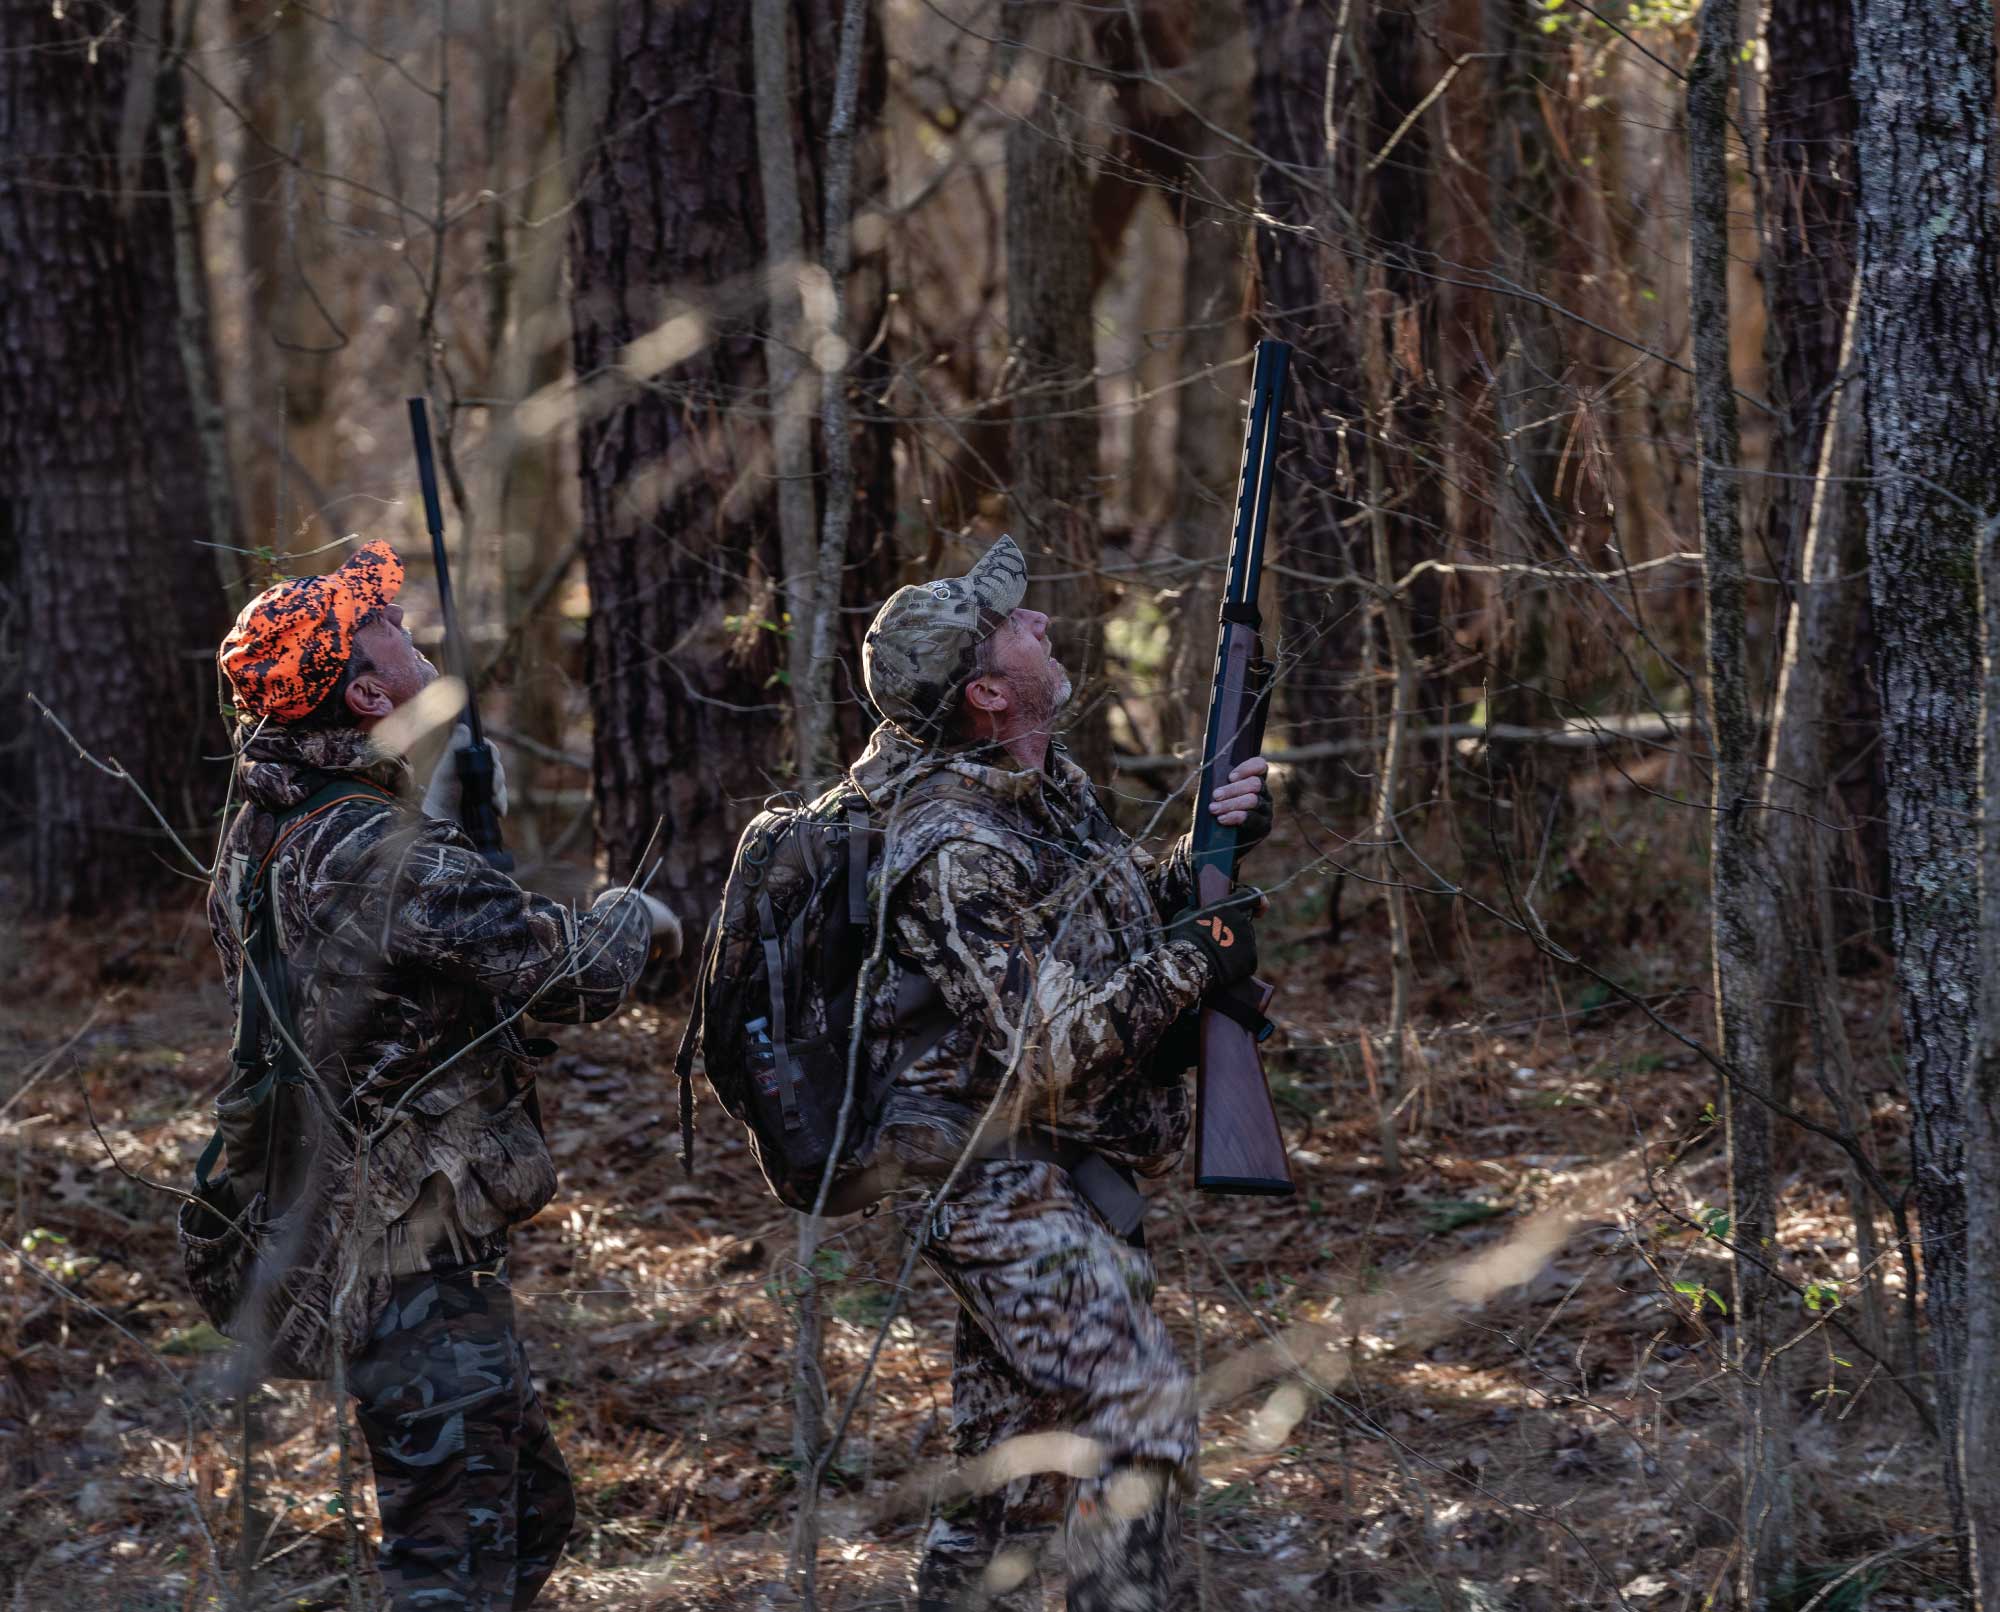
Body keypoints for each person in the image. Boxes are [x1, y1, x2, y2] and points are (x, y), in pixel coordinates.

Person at [204, 538, 678, 1610]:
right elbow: (563, 973)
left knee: (520, 1510)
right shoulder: (380, 847)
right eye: (393, 639)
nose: (417, 641)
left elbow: (391, 976)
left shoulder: (263, 824)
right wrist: (637, 919)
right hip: (405, 1239)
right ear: (368, 692)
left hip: (355, 1221)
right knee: (452, 1554)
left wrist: (445, 811)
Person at [848, 535, 1272, 1610]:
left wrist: (1203, 863)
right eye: (1014, 626)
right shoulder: (952, 847)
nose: (1040, 621)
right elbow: (1046, 1045)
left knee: (1014, 1479)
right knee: (1138, 1402)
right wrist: (1198, 953)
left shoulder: (1041, 789)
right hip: (993, 1184)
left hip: (1064, 1170)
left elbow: (1113, 928)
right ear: (989, 691)